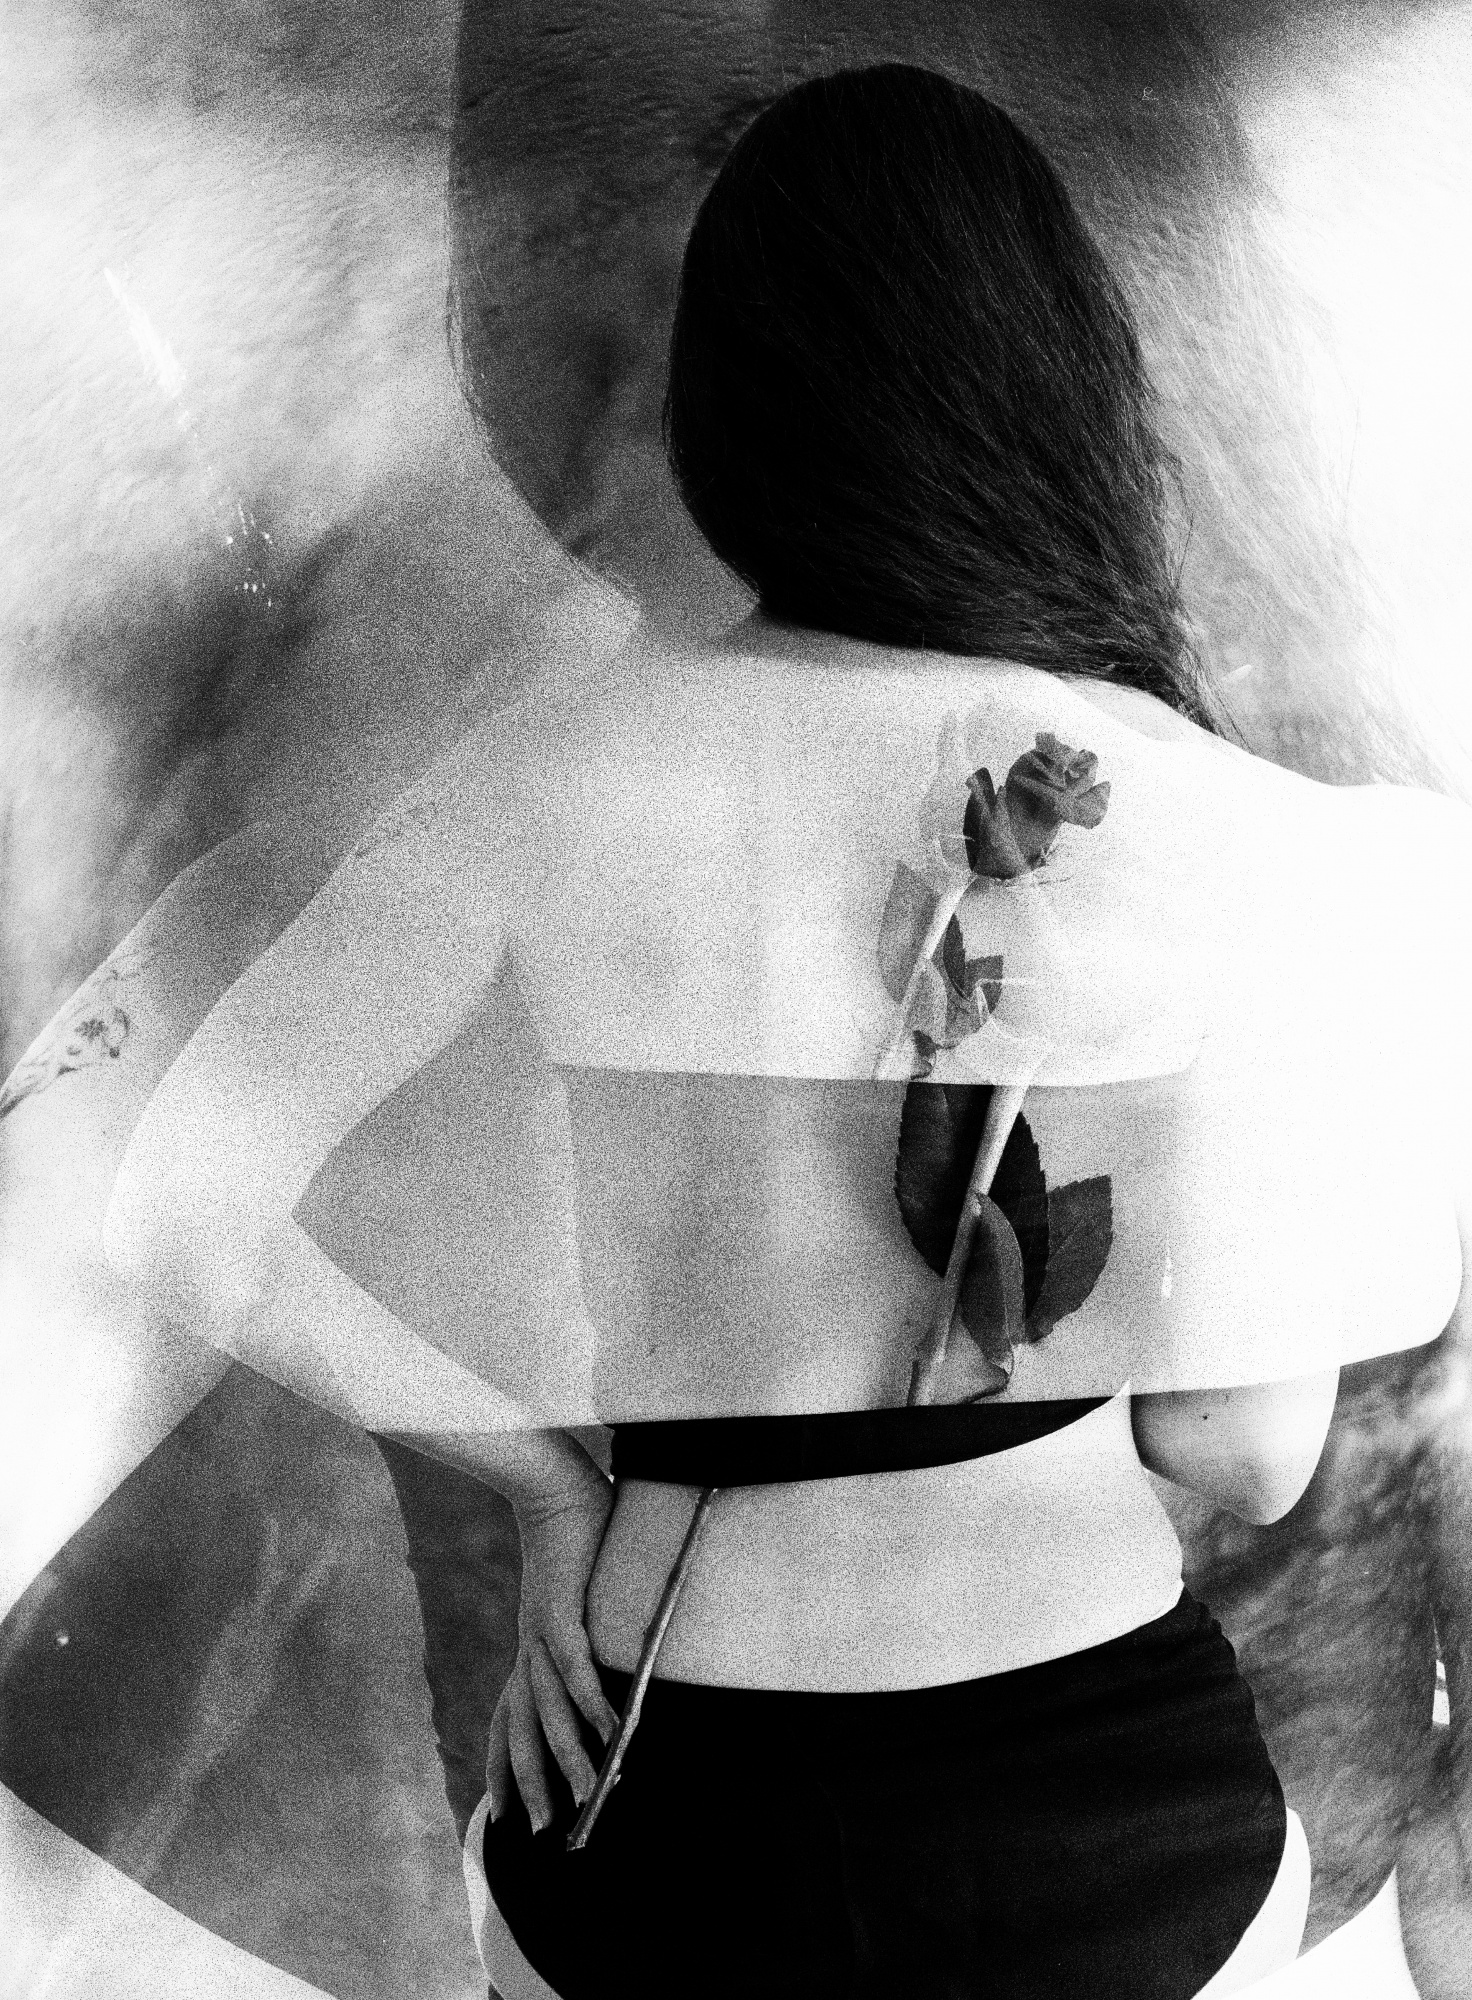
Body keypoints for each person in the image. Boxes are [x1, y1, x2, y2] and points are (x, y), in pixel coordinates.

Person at [89, 62, 1472, 1999]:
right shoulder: (1197, 815)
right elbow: (1237, 1451)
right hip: (1103, 1822)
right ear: (1060, 394)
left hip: (668, 1802)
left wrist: (551, 1482)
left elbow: (181, 1203)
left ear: (723, 408)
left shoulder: (546, 770)